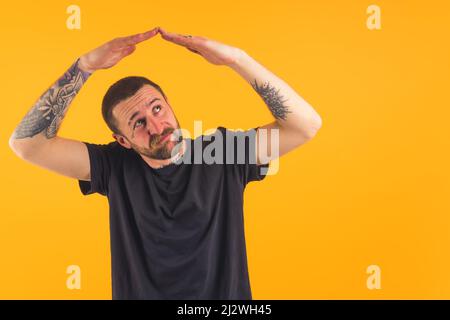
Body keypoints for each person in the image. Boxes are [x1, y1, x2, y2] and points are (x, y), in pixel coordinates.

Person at [9, 26, 322, 299]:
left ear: (170, 106)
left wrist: (236, 59)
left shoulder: (224, 152)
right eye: (138, 123)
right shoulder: (113, 166)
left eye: (157, 110)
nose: (157, 128)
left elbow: (305, 125)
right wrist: (83, 67)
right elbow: (27, 145)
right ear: (123, 141)